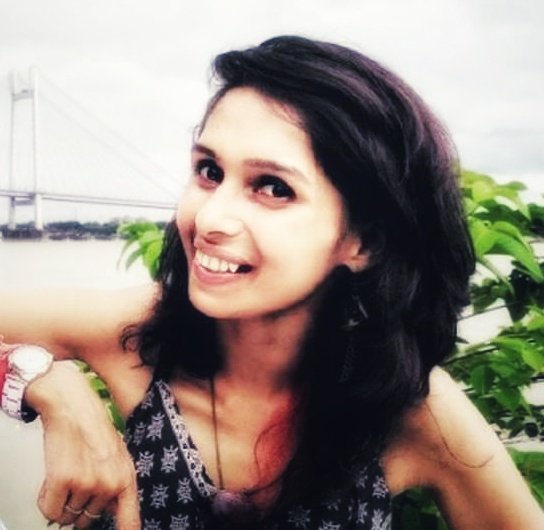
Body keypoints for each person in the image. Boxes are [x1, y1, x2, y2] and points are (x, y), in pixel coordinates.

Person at [1, 35, 543, 530]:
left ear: (364, 243)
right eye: (210, 171)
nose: (210, 218)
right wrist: (49, 386)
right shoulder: (136, 334)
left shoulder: (410, 407)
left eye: (272, 188)